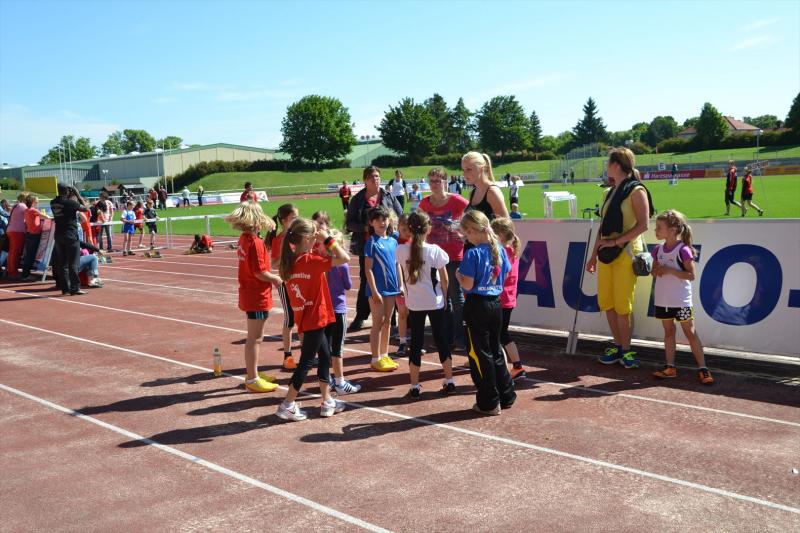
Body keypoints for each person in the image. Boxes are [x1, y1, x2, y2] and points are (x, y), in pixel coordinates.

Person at [586, 147, 654, 369]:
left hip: (626, 254)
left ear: (616, 165)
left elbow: (643, 225)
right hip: (606, 254)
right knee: (608, 303)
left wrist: (616, 242)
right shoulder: (608, 192)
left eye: (608, 163)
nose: (606, 167)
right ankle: (617, 346)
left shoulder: (637, 190)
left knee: (623, 306)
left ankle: (626, 350)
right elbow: (602, 227)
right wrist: (593, 256)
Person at [276, 217, 350, 421]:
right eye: (314, 236)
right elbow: (345, 258)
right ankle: (287, 404)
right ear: (308, 239)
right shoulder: (312, 262)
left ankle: (327, 400)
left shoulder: (289, 262)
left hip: (306, 317)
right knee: (306, 362)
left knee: (325, 356)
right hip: (315, 318)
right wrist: (327, 239)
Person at [456, 210, 515, 415]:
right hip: (496, 304)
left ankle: (489, 402)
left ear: (473, 231)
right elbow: (506, 272)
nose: (466, 238)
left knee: (479, 354)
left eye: (466, 233)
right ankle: (506, 395)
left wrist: (458, 276)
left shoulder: (472, 254)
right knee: (495, 349)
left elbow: (467, 284)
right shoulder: (499, 249)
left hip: (477, 305)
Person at [395, 211, 455, 398]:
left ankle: (414, 385)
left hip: (414, 303)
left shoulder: (400, 250)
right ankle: (449, 380)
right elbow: (445, 279)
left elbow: (403, 270)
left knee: (416, 342)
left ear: (409, 229)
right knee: (441, 340)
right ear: (428, 229)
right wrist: (445, 298)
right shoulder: (435, 250)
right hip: (435, 302)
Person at [650, 210, 713, 385]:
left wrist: (669, 270)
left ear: (672, 230)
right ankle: (670, 367)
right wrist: (654, 270)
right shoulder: (657, 250)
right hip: (663, 301)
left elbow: (691, 275)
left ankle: (703, 368)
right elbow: (654, 272)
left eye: (659, 227)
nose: (656, 230)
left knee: (689, 332)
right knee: (669, 331)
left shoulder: (683, 250)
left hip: (681, 302)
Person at [225, 201, 282, 393]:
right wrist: (276, 279)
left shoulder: (244, 239)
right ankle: (252, 378)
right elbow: (259, 272)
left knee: (255, 337)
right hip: (257, 295)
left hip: (250, 292)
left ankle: (253, 372)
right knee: (255, 338)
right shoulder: (255, 243)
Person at [344, 165, 403, 332]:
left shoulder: (389, 196)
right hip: (367, 246)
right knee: (366, 280)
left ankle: (392, 318)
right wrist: (365, 227)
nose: (375, 179)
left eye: (377, 176)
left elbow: (400, 215)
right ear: (365, 180)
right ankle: (361, 316)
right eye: (371, 177)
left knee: (390, 277)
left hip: (387, 245)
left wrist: (392, 227)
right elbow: (349, 223)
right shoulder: (358, 199)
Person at [419, 167, 469, 350]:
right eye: (431, 181)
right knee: (441, 297)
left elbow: (475, 217)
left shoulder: (457, 200)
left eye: (438, 180)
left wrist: (460, 230)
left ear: (445, 182)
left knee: (456, 296)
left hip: (453, 254)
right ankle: (445, 336)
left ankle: (460, 337)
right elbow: (419, 224)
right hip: (432, 256)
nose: (434, 184)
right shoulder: (425, 203)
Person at [311, 212, 361, 395]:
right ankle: (340, 383)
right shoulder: (342, 265)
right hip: (338, 310)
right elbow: (348, 285)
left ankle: (328, 380)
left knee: (324, 349)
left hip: (323, 310)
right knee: (337, 349)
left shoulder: (319, 262)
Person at [364, 206, 403, 372]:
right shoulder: (371, 242)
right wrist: (374, 291)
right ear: (371, 223)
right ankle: (375, 358)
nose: (382, 222)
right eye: (378, 220)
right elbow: (368, 269)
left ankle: (385, 355)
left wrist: (401, 284)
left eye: (384, 219)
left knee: (388, 322)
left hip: (392, 288)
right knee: (378, 322)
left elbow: (397, 264)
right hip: (378, 290)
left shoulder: (393, 241)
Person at [266, 203, 300, 370]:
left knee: (303, 317)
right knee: (290, 318)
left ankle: (307, 354)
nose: (297, 220)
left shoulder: (299, 236)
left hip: (301, 281)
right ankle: (288, 356)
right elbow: (273, 263)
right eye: (294, 218)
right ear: (284, 221)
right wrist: (286, 254)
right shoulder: (279, 239)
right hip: (286, 282)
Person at [491, 217, 525, 380]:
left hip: (498, 298)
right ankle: (517, 366)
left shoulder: (500, 252)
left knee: (495, 335)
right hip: (508, 299)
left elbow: (498, 275)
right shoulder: (512, 250)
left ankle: (501, 370)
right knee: (502, 333)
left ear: (500, 235)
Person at [50, 184, 89, 295]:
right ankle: (75, 288)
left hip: (58, 235)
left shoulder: (53, 202)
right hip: (70, 234)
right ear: (67, 191)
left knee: (63, 263)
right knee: (73, 262)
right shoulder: (69, 202)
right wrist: (77, 194)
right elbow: (85, 208)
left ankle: (65, 289)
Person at [462, 151, 509, 224]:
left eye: (469, 169)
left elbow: (506, 226)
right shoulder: (472, 193)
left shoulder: (492, 192)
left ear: (482, 168)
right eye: (463, 170)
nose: (464, 174)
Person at [394, 214, 411, 355]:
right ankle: (402, 342)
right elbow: (396, 265)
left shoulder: (415, 242)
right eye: (404, 229)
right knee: (402, 313)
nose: (407, 233)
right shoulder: (395, 243)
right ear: (398, 227)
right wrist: (400, 284)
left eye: (409, 230)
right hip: (400, 285)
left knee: (415, 314)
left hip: (414, 284)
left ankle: (416, 342)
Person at [21, 195, 49, 280]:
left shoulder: (27, 210)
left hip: (29, 234)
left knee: (29, 255)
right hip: (34, 235)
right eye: (36, 202)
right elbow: (47, 217)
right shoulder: (33, 210)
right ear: (32, 202)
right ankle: (26, 275)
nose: (38, 203)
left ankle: (25, 274)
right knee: (31, 255)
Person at [5, 193, 27, 279]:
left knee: (12, 252)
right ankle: (13, 272)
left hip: (11, 230)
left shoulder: (16, 205)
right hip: (18, 231)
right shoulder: (23, 206)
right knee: (15, 252)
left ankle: (10, 270)